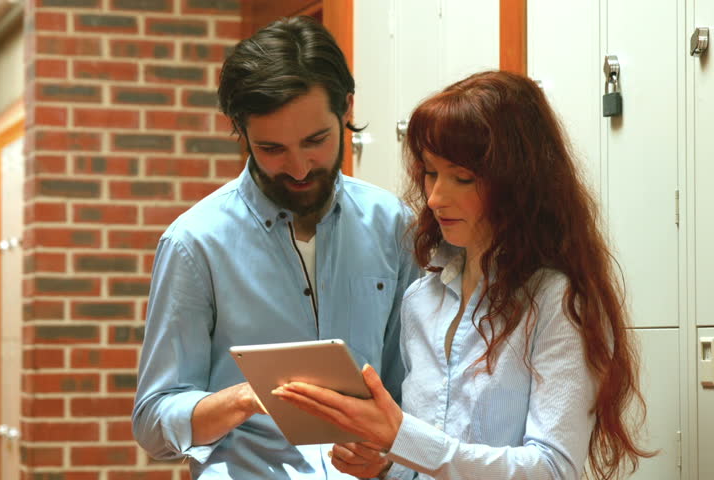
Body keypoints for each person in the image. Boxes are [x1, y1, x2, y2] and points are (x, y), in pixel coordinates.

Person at [273, 70, 653, 479]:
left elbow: (552, 468)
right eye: (431, 173)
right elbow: (422, 460)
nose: (435, 198)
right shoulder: (422, 298)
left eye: (462, 178)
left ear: (517, 182)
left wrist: (401, 437)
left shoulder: (558, 301)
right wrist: (383, 463)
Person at [131, 16, 421, 479]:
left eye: (317, 141)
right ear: (239, 130)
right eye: (272, 149)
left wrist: (389, 455)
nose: (300, 167)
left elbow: (414, 394)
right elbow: (153, 421)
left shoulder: (394, 227)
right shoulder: (194, 243)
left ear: (347, 108)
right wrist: (242, 399)